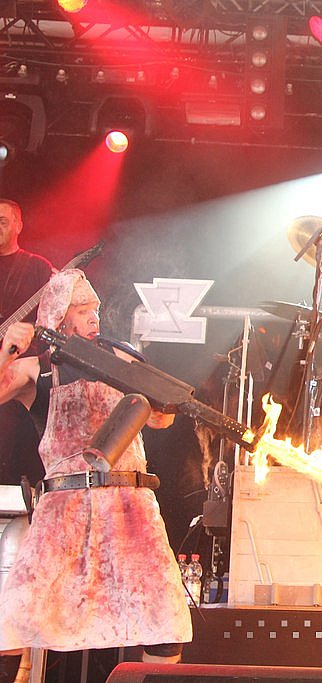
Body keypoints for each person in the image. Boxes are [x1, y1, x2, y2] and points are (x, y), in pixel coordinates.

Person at [0, 269, 191, 663]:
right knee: (16, 618)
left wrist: (147, 392)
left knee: (163, 620)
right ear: (58, 316)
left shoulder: (119, 359)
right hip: (64, 512)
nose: (94, 318)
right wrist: (7, 350)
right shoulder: (38, 370)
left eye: (96, 310)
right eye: (82, 310)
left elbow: (162, 418)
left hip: (129, 508)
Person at [0, 199, 54, 486]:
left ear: (18, 225)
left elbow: (53, 319)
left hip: (18, 375)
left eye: (2, 221)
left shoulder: (36, 267)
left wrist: (28, 333)